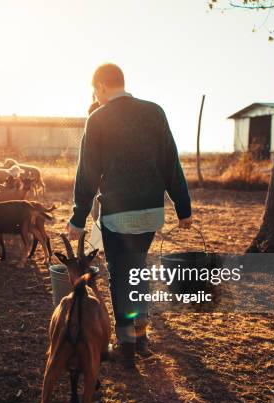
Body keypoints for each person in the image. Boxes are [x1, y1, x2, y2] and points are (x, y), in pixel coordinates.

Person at [66, 64, 192, 368]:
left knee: (123, 277)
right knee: (136, 271)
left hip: (118, 215)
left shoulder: (97, 119)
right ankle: (140, 335)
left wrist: (78, 216)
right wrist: (182, 206)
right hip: (150, 213)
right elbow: (170, 162)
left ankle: (126, 347)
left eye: (94, 89)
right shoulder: (154, 112)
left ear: (100, 86)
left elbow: (87, 174)